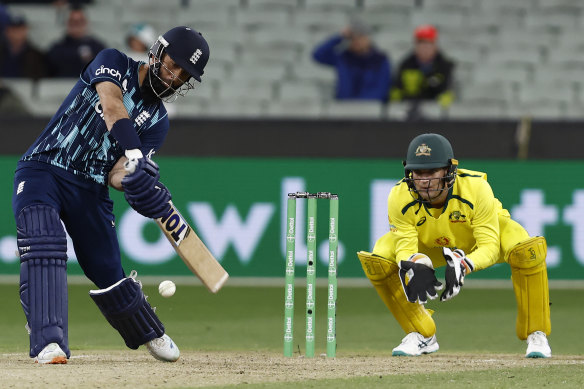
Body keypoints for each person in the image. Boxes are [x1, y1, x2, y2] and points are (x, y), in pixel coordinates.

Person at [12, 25, 210, 364]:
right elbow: (112, 105)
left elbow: (118, 173)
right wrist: (135, 155)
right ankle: (48, 339)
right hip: (44, 166)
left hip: (90, 187)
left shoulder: (158, 121)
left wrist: (137, 181)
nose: (173, 77)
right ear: (157, 52)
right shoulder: (114, 62)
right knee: (44, 238)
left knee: (107, 270)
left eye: (183, 75)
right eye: (172, 65)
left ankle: (148, 330)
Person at [357, 133, 551, 358]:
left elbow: (488, 246)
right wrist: (413, 262)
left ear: (448, 171)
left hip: (479, 241)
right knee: (379, 258)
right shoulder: (398, 196)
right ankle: (421, 334)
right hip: (431, 244)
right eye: (418, 172)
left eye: (432, 172)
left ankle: (536, 334)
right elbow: (404, 246)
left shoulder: (476, 189)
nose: (424, 180)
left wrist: (465, 263)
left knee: (526, 249)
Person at [312, 19, 391, 102]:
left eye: (360, 36)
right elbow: (318, 55)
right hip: (344, 108)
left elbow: (382, 89)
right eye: (352, 38)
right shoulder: (343, 58)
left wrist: (359, 105)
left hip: (370, 109)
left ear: (368, 38)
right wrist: (340, 36)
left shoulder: (380, 60)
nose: (356, 41)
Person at [390, 25, 455, 109]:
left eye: (428, 44)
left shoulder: (444, 66)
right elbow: (397, 89)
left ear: (435, 45)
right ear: (415, 45)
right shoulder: (406, 65)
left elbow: (447, 90)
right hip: (409, 111)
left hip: (435, 112)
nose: (424, 48)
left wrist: (446, 98)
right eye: (421, 44)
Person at [46, 4, 106, 77]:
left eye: (80, 21)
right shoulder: (55, 50)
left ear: (86, 22)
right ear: (66, 23)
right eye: (72, 21)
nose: (76, 24)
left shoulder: (98, 49)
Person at [0, 14, 47, 80]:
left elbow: (42, 80)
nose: (17, 33)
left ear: (26, 30)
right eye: (13, 29)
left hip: (26, 89)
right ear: (6, 31)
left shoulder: (36, 56)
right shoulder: (2, 51)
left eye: (20, 29)